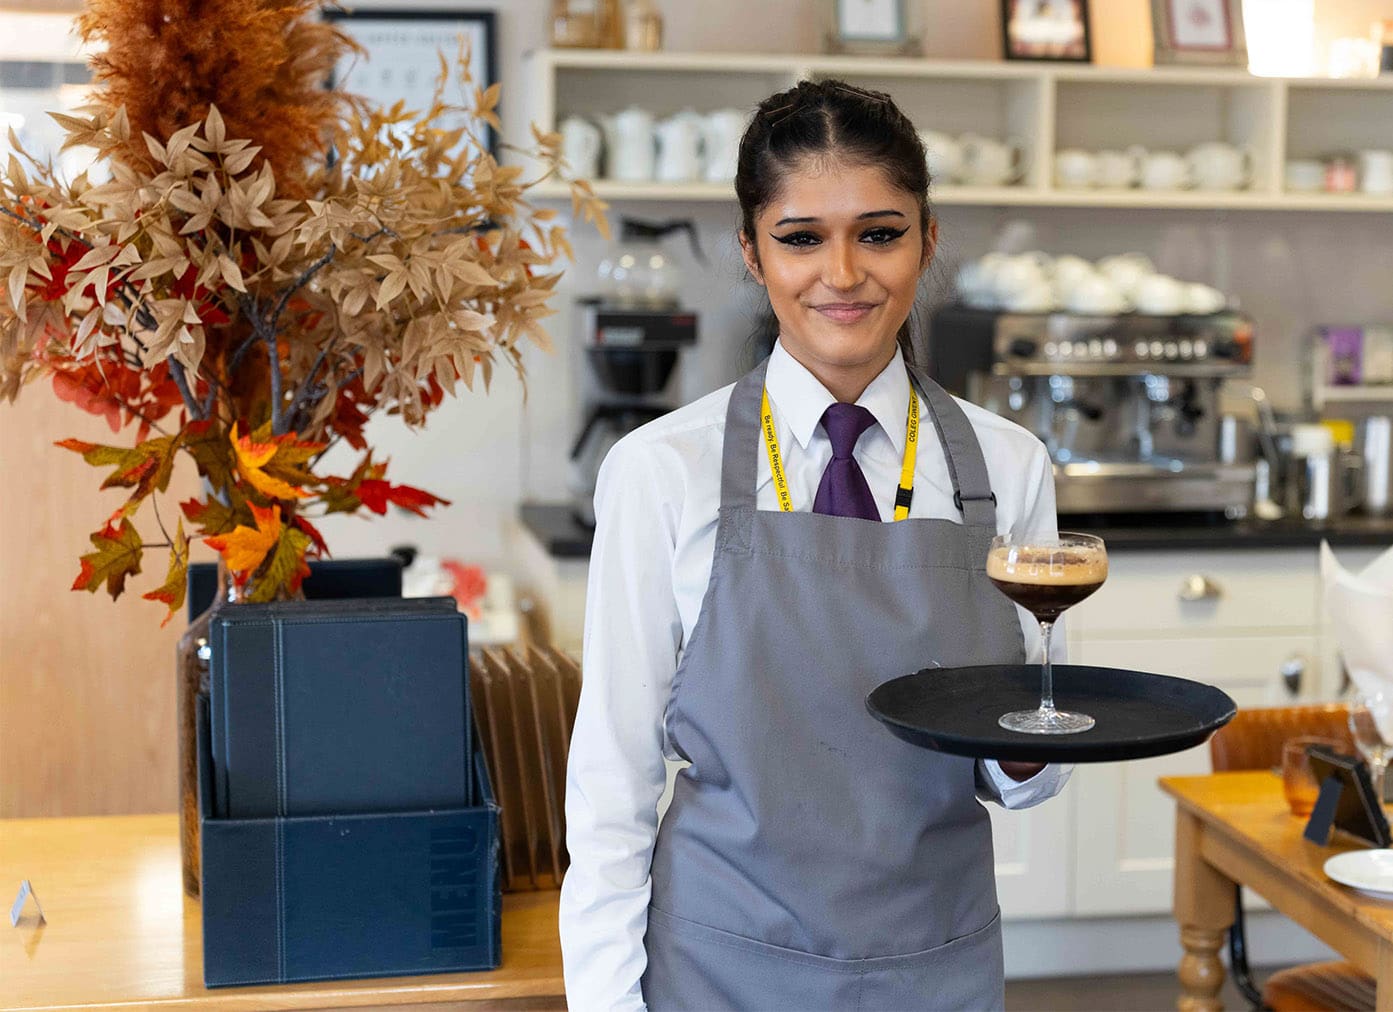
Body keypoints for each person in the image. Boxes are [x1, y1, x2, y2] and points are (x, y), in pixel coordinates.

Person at [559, 78, 1072, 1011]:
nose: (842, 274)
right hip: (720, 963)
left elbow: (1017, 776)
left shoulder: (1010, 468)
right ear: (752, 254)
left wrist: (1033, 747)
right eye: (801, 238)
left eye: (879, 232)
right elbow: (612, 776)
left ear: (927, 239)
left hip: (936, 961)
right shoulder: (658, 471)